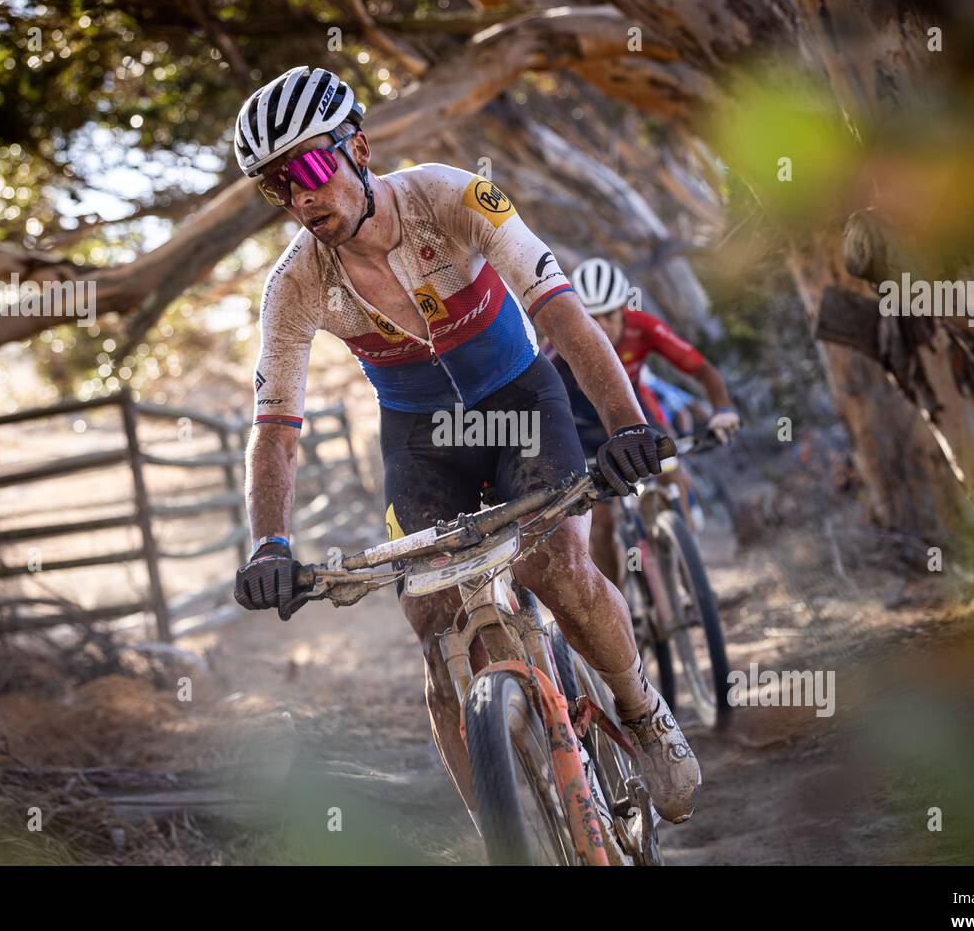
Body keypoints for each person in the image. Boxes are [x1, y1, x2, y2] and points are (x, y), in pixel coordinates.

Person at [229, 67, 702, 823]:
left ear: (359, 148)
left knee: (557, 567)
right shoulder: (295, 284)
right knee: (435, 630)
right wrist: (269, 544)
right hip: (422, 443)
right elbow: (276, 427)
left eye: (310, 168)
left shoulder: (453, 196)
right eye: (276, 186)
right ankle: (499, 833)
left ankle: (643, 713)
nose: (300, 198)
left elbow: (564, 316)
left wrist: (627, 424)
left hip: (521, 404)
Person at [549, 257, 741, 583]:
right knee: (600, 524)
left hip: (633, 417)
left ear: (624, 309)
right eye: (592, 317)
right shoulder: (561, 345)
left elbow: (701, 369)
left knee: (672, 473)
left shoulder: (642, 327)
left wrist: (723, 409)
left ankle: (690, 569)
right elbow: (542, 403)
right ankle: (615, 602)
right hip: (585, 431)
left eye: (610, 314)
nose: (602, 325)